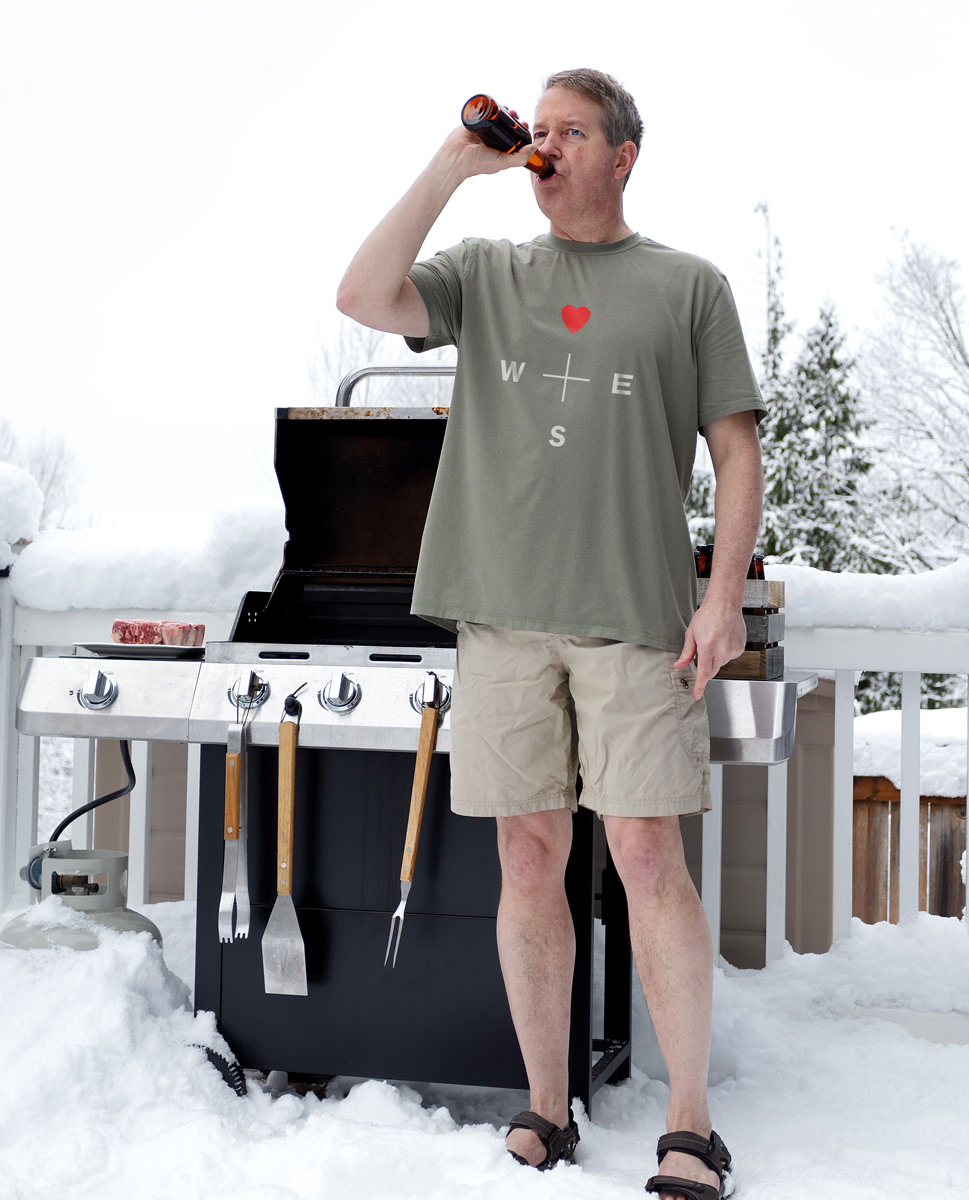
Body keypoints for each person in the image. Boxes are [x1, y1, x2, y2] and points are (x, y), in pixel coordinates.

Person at [337, 68, 763, 1200]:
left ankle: (689, 1124)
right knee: (528, 860)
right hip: (503, 622)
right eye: (543, 129)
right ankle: (545, 1104)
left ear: (625, 156)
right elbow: (363, 298)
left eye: (573, 131)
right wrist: (452, 167)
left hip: (635, 623)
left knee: (646, 861)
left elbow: (736, 450)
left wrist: (719, 599)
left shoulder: (687, 286)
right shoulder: (486, 272)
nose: (549, 145)